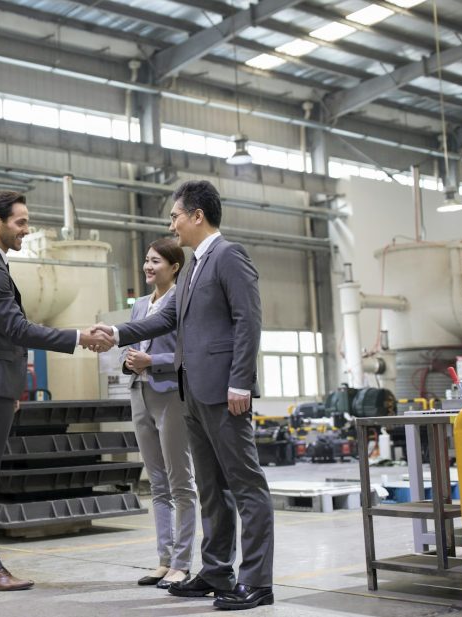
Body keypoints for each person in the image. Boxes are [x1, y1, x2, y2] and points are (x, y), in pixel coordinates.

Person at [93, 180, 273, 611]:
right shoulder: (192, 266)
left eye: (175, 215)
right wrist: (117, 332)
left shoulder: (229, 256)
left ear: (197, 215)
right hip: (190, 390)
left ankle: (258, 581)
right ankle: (215, 570)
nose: (171, 223)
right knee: (211, 486)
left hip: (224, 390)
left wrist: (241, 382)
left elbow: (248, 320)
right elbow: (165, 318)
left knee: (245, 485)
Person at [0, 190, 114, 592]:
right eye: (20, 222)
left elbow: (6, 332)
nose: (26, 229)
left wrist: (14, 383)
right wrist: (77, 337)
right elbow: (16, 328)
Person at [122, 238, 197, 591]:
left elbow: (189, 352)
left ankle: (182, 563)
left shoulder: (182, 302)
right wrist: (130, 360)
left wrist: (153, 361)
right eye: (146, 261)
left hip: (169, 396)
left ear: (175, 267)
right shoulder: (139, 306)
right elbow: (133, 345)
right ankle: (164, 560)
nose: (149, 267)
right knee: (157, 483)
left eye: (156, 261)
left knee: (180, 482)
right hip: (140, 393)